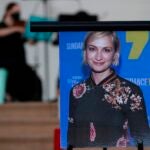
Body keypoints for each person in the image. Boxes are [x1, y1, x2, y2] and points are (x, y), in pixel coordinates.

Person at [67, 31, 150, 148]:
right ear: (85, 52)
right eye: (92, 49)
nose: (98, 56)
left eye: (106, 50)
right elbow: (72, 141)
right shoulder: (76, 92)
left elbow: (143, 143)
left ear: (115, 55)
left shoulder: (131, 91)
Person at [0, 2, 42, 102]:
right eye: (15, 11)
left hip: (20, 62)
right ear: (8, 12)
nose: (17, 13)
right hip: (6, 61)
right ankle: (10, 96)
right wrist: (16, 29)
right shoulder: (3, 26)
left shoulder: (20, 25)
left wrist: (33, 36)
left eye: (18, 11)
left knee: (35, 79)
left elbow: (31, 41)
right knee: (15, 74)